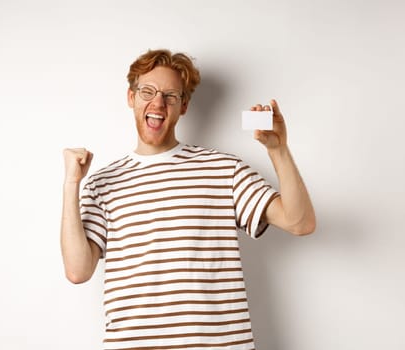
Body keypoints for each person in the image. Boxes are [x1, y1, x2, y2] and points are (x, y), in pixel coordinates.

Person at [60, 49, 316, 349]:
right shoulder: (103, 182)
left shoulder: (223, 169)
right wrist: (71, 184)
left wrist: (278, 150)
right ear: (131, 97)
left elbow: (300, 223)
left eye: (170, 96)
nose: (158, 103)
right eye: (148, 92)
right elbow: (77, 271)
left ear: (183, 106)